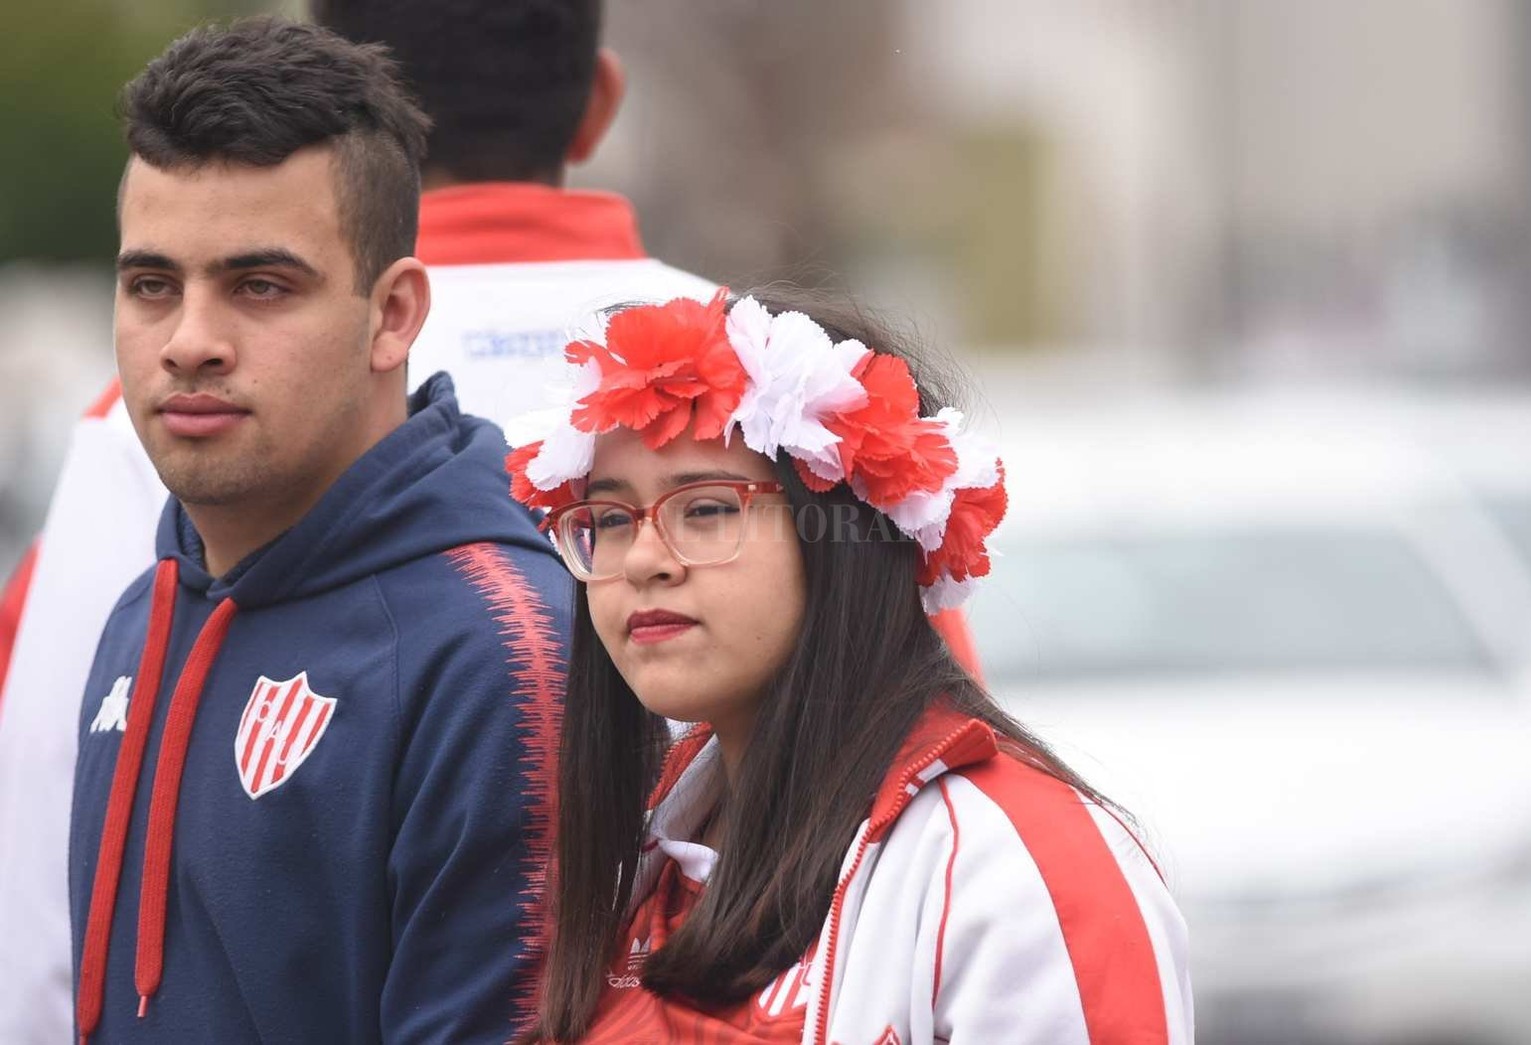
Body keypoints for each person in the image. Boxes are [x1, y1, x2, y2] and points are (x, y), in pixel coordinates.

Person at [66, 18, 571, 1043]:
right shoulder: (145, 606)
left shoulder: (499, 653)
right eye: (152, 286)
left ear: (392, 315)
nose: (190, 342)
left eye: (260, 285)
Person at [506, 290, 1193, 1043]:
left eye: (705, 509)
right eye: (607, 519)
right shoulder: (640, 850)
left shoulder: (1019, 868)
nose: (639, 561)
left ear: (845, 539)